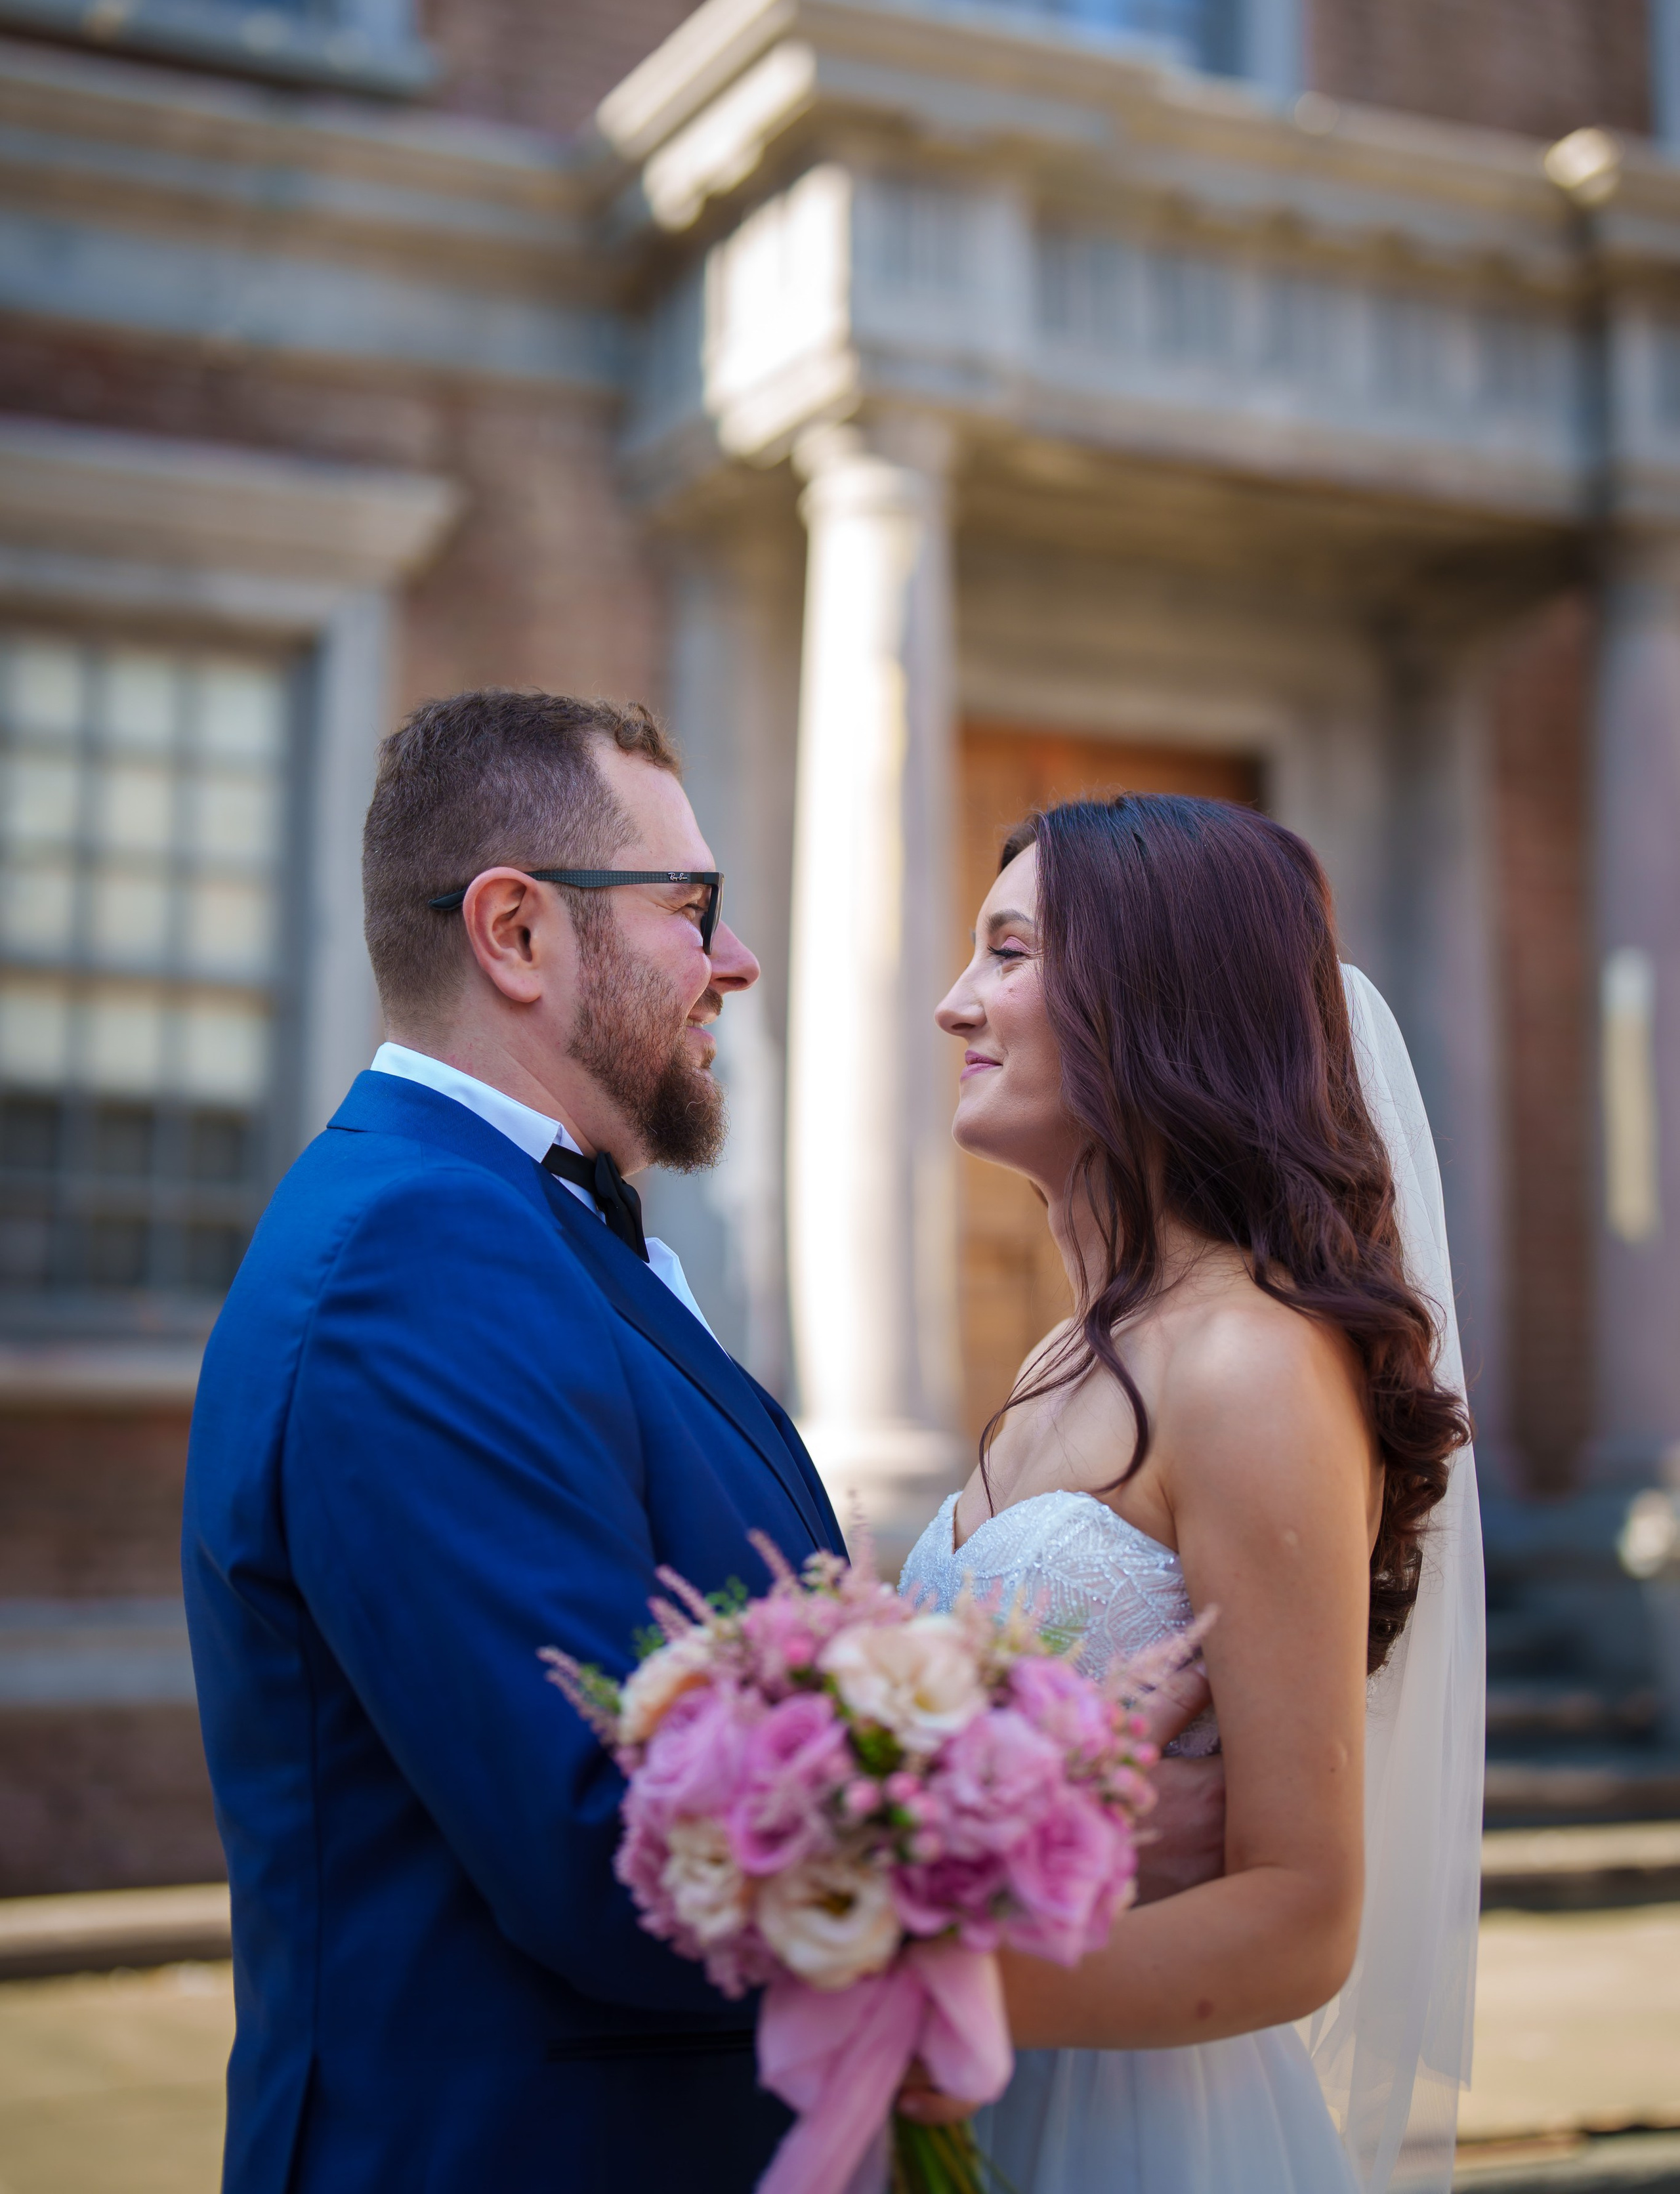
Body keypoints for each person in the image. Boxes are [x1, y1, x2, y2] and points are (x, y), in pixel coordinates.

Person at [182, 691, 1225, 2194]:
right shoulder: (413, 1259)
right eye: (689, 908)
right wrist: (1061, 1826)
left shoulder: (509, 1232)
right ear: (516, 933)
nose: (735, 960)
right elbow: (602, 1845)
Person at [901, 793, 1484, 2194]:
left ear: (1152, 1000)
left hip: (1140, 2126)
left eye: (1007, 953)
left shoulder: (1249, 1364)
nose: (952, 1003)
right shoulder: (1059, 1358)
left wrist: (928, 1993)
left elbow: (1301, 1917)